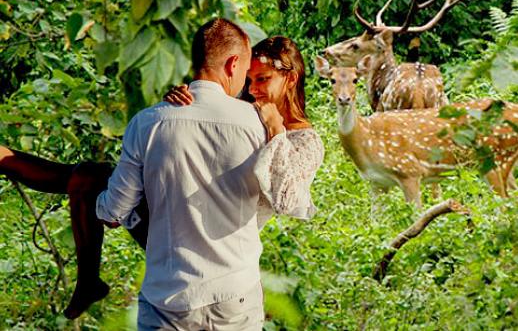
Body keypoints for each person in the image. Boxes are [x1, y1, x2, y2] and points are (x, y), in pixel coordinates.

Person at [96, 18, 268, 330]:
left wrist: (96, 198)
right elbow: (277, 197)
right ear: (233, 64)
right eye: (245, 74)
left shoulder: (147, 123)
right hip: (236, 296)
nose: (246, 85)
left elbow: (112, 213)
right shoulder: (258, 124)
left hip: (169, 300)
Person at [165, 35, 324, 226]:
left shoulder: (307, 142)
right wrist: (184, 101)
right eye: (249, 81)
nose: (253, 89)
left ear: (290, 78)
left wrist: (276, 129)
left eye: (262, 79)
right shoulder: (242, 113)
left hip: (228, 243)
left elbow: (285, 201)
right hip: (175, 218)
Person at [0, 148, 148, 319]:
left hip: (171, 239)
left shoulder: (148, 129)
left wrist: (104, 207)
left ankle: (88, 283)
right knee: (85, 177)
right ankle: (88, 283)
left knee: (87, 180)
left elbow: (112, 216)